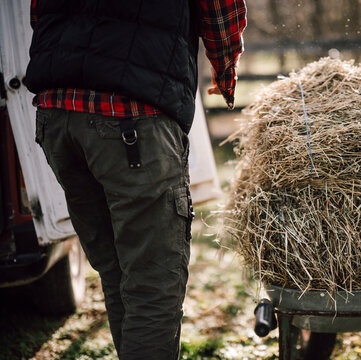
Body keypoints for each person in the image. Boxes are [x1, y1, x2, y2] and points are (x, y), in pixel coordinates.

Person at [24, 1, 246, 359]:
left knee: (118, 272)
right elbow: (221, 9)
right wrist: (225, 68)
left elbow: (40, 12)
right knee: (153, 286)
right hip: (130, 116)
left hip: (58, 117)